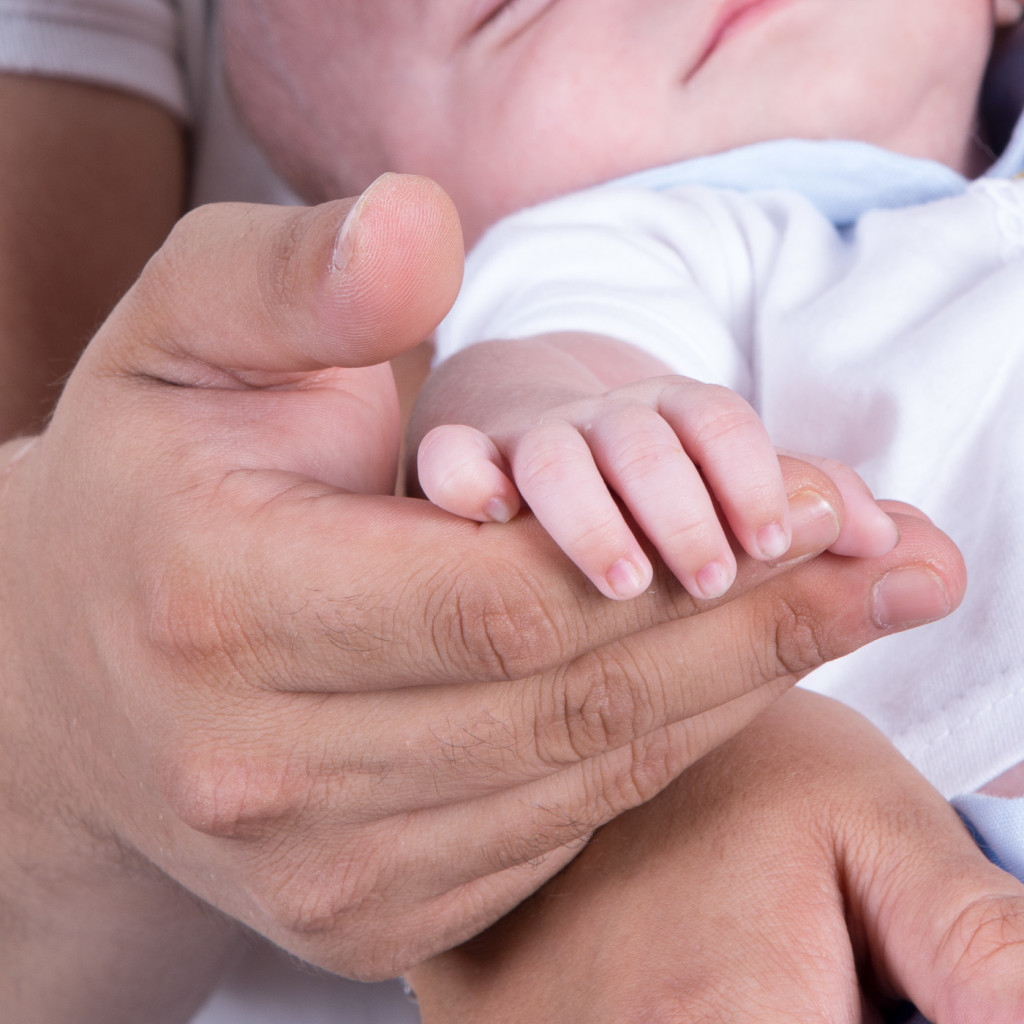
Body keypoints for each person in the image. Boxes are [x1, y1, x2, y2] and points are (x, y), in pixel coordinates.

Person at [0, 4, 1018, 1024]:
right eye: (515, 11)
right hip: (902, 895)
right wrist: (565, 433)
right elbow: (543, 375)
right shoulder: (636, 242)